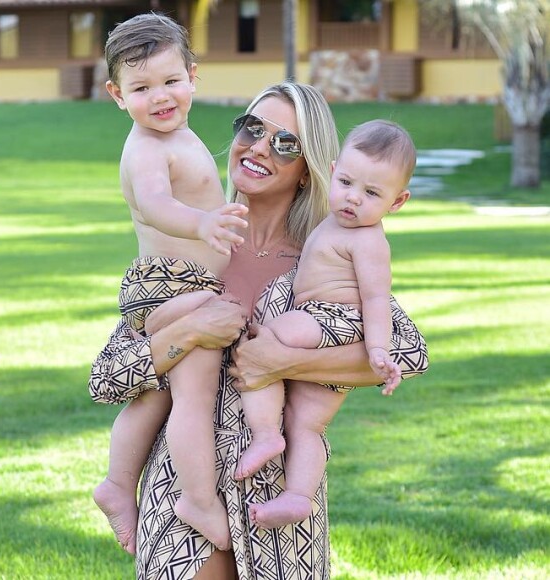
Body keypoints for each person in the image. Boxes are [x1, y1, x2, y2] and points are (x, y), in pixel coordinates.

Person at [89, 81, 428, 579]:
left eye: (285, 142)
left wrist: (283, 361)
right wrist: (195, 329)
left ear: (312, 168)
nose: (260, 147)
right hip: (184, 491)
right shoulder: (195, 247)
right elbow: (108, 378)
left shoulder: (326, 258)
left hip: (277, 502)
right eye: (252, 128)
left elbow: (407, 354)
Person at [92, 12, 249, 556]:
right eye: (141, 87)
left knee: (155, 395)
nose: (159, 96)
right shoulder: (146, 149)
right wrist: (202, 223)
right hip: (173, 286)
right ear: (117, 94)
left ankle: (117, 481)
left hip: (180, 284)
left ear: (193, 77)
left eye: (170, 81)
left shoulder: (177, 133)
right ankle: (198, 499)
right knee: (194, 391)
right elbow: (158, 205)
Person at [234, 119, 417, 529]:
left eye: (372, 193)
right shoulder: (330, 220)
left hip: (331, 321)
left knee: (268, 336)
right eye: (347, 183)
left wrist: (378, 351)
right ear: (332, 173)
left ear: (398, 200)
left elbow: (375, 299)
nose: (353, 199)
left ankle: (264, 433)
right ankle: (299, 496)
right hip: (321, 331)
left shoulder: (368, 240)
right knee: (307, 423)